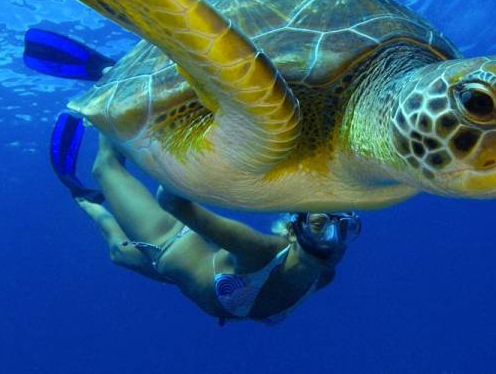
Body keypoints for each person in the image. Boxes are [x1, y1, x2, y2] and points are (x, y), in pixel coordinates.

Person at [51, 113, 361, 325]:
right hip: (166, 240)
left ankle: (84, 199)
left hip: (183, 273)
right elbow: (171, 201)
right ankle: (109, 98)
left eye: (346, 229)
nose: (332, 239)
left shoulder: (323, 277)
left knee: (118, 253)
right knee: (106, 168)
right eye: (319, 225)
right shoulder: (258, 251)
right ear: (293, 230)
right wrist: (207, 162)